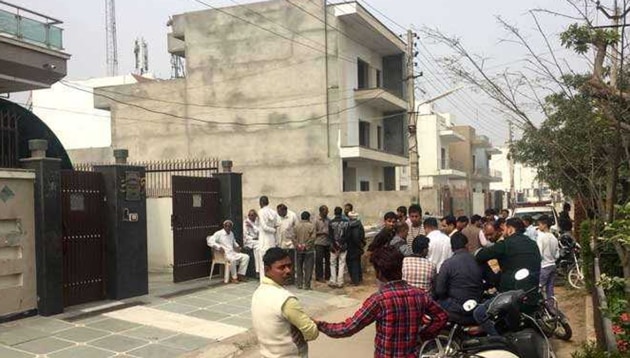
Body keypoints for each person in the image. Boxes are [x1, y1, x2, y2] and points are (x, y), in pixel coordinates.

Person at [316, 247, 448, 358]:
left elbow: (348, 328)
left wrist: (320, 325)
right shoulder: (419, 295)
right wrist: (424, 335)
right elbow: (441, 317)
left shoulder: (379, 299)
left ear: (379, 273)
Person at [474, 218, 542, 335]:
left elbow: (481, 256)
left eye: (504, 229)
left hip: (510, 294)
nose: (503, 231)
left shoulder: (505, 244)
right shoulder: (533, 244)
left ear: (510, 229)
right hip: (532, 291)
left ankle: (499, 340)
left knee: (479, 312)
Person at [251, 248, 318, 357]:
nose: (288, 271)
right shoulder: (286, 300)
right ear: (267, 269)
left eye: (289, 266)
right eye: (281, 267)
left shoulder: (258, 293)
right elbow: (312, 332)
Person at [434, 232, 484, 322]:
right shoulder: (478, 261)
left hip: (455, 309)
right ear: (467, 245)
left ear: (452, 248)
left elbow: (440, 290)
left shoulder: (448, 264)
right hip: (475, 306)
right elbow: (490, 280)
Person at [537, 215, 559, 300]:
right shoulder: (554, 237)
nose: (538, 227)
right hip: (552, 265)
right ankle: (551, 308)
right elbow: (557, 255)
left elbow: (539, 253)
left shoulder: (541, 237)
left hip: (544, 265)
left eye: (539, 224)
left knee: (539, 288)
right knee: (550, 289)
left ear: (544, 225)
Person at [294, 211, 316, 290]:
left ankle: (299, 284)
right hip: (309, 250)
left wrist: (298, 245)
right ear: (308, 217)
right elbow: (313, 238)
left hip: (299, 250)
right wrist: (305, 245)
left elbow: (293, 237)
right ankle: (307, 285)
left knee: (299, 267)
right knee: (308, 267)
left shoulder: (296, 226)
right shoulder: (311, 226)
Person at [277, 204, 298, 284]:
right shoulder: (277, 216)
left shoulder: (292, 216)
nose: (278, 214)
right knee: (282, 262)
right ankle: (283, 278)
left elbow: (297, 228)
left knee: (290, 262)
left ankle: (291, 279)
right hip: (280, 243)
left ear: (284, 211)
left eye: (280, 212)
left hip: (290, 244)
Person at [328, 207, 349, 288]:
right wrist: (340, 244)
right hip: (343, 246)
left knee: (333, 263)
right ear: (341, 212)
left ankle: (333, 280)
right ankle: (340, 282)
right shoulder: (346, 222)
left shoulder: (331, 222)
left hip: (333, 247)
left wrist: (335, 245)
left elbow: (330, 235)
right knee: (342, 263)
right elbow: (347, 235)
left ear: (334, 212)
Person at [258, 196, 279, 273]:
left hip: (264, 240)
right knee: (272, 262)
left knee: (263, 262)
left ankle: (263, 281)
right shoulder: (274, 212)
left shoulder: (260, 212)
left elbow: (264, 227)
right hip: (272, 240)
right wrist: (274, 231)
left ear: (261, 203)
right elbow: (277, 225)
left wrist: (273, 230)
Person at [345, 211, 365, 285]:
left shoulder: (351, 226)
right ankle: (359, 278)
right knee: (357, 263)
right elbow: (362, 236)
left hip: (352, 247)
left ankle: (355, 280)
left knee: (352, 264)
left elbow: (355, 237)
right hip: (357, 247)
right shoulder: (359, 225)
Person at [314, 205, 331, 283]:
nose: (327, 213)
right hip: (319, 243)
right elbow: (313, 232)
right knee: (319, 260)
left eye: (327, 211)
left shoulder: (329, 220)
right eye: (325, 212)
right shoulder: (316, 220)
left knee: (328, 260)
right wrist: (322, 232)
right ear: (321, 212)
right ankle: (319, 276)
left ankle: (328, 276)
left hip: (327, 242)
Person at [243, 209, 261, 278]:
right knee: (258, 248)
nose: (250, 217)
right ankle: (257, 271)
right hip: (250, 241)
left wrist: (253, 226)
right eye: (249, 215)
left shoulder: (257, 222)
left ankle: (260, 270)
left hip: (257, 240)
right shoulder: (246, 222)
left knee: (259, 248)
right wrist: (253, 238)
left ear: (255, 216)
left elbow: (260, 231)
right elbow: (245, 235)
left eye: (252, 215)